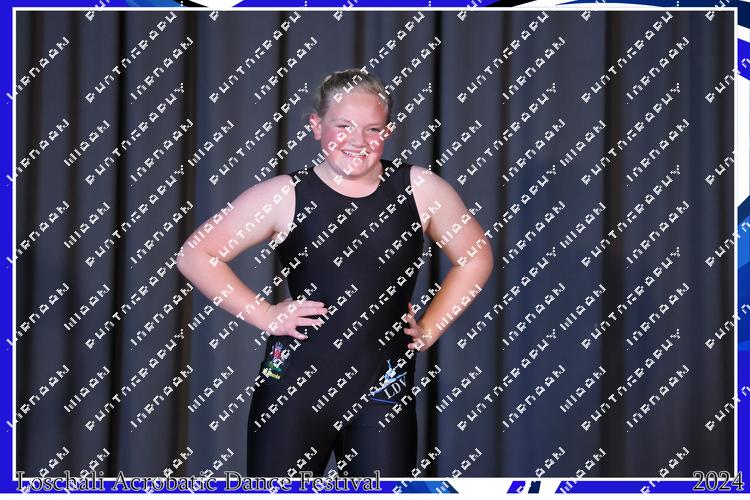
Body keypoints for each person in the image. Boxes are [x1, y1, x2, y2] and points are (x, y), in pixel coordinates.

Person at [176, 68, 494, 478]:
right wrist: (265, 314)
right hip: (293, 392)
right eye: (343, 126)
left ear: (388, 132)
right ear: (316, 126)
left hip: (383, 394)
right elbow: (196, 255)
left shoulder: (420, 189)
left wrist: (430, 327)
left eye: (372, 129)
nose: (357, 140)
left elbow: (475, 258)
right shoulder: (284, 194)